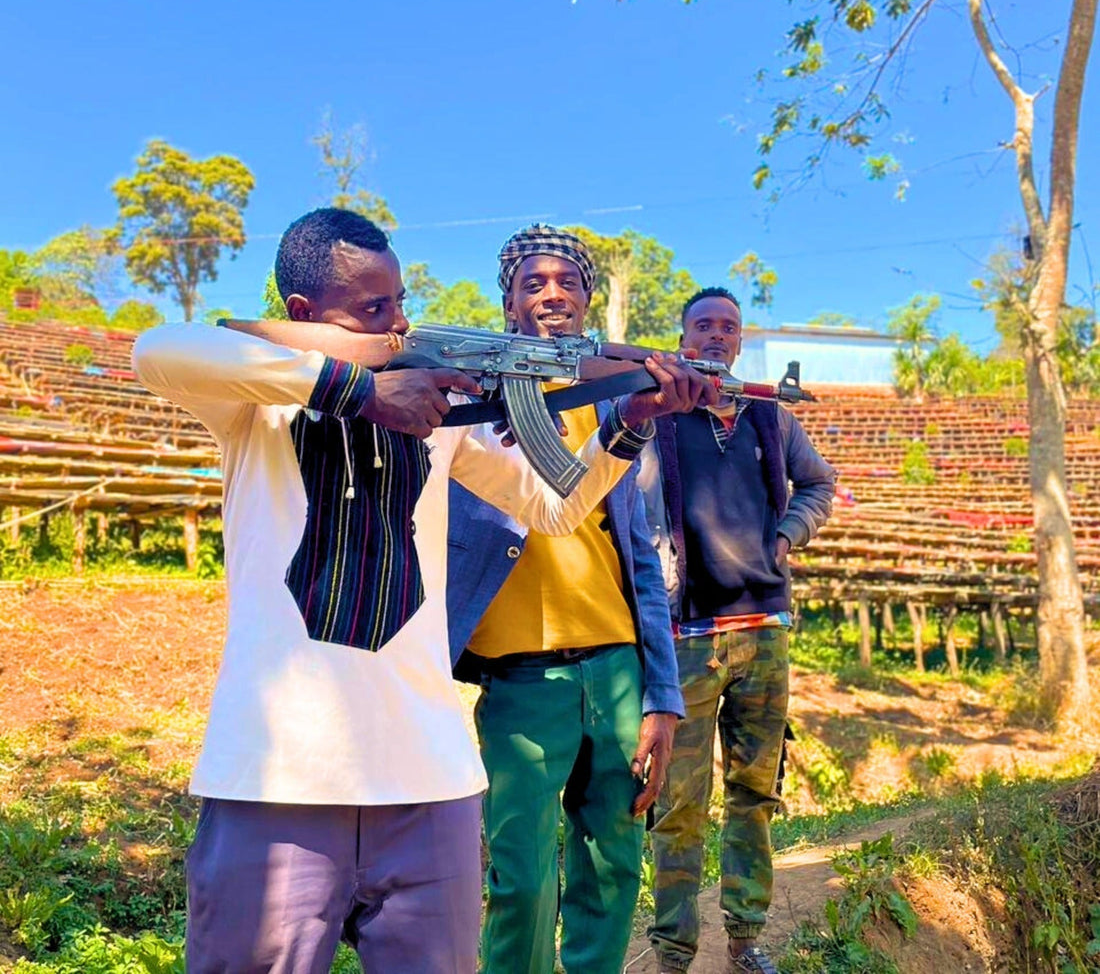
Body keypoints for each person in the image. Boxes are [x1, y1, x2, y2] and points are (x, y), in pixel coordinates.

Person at [133, 208, 711, 974]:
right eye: (376, 310)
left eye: (399, 302)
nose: (402, 323)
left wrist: (631, 424)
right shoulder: (254, 404)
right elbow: (160, 349)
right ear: (303, 316)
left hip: (430, 779)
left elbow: (554, 507)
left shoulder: (443, 417)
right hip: (276, 775)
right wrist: (360, 388)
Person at [445, 223, 705, 974]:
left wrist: (662, 696)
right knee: (522, 878)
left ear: (589, 299)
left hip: (616, 664)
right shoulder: (466, 399)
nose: (552, 294)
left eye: (567, 282)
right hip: (519, 672)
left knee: (615, 860)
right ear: (508, 304)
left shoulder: (623, 403)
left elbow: (648, 562)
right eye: (534, 283)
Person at [641, 286, 836, 974]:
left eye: (728, 326)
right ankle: (672, 951)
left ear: (740, 338)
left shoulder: (769, 417)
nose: (716, 336)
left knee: (755, 795)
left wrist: (786, 538)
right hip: (686, 637)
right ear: (683, 336)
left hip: (766, 631)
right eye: (704, 325)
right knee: (678, 805)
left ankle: (746, 940)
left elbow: (820, 485)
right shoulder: (654, 413)